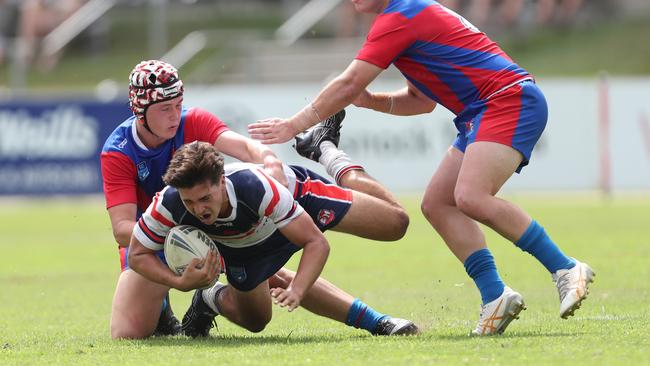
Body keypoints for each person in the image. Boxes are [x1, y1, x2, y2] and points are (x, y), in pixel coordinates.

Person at [247, 0, 595, 335]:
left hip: (507, 99)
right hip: (482, 111)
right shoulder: (401, 16)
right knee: (438, 204)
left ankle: (565, 267)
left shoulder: (400, 14)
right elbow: (420, 101)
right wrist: (370, 101)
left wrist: (294, 124)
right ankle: (495, 296)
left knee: (471, 197)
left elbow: (349, 81)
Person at [101, 60, 414, 339]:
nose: (174, 116)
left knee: (395, 224)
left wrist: (271, 163)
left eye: (177, 104)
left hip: (253, 209)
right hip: (170, 236)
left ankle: (326, 151)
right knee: (128, 332)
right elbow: (123, 231)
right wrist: (187, 245)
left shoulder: (204, 136)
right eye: (164, 109)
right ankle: (195, 302)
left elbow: (251, 151)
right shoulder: (120, 153)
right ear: (139, 110)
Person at [128, 141, 418, 337]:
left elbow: (315, 242)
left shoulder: (255, 187)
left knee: (395, 224)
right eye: (189, 202)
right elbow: (137, 253)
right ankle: (210, 298)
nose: (198, 209)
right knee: (256, 322)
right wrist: (179, 282)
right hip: (242, 247)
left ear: (222, 181)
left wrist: (299, 289)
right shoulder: (169, 203)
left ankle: (329, 153)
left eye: (205, 198)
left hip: (298, 205)